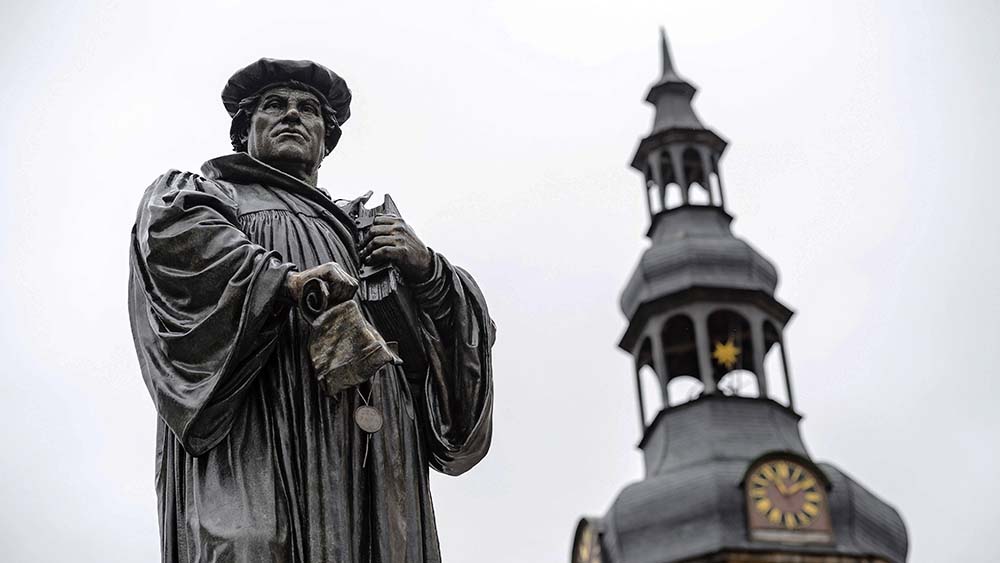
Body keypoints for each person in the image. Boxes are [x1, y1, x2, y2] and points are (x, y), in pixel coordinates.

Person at [128, 58, 495, 563]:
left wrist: (427, 269)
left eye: (309, 110)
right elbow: (172, 242)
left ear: (326, 139)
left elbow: (459, 346)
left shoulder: (364, 226)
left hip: (365, 445)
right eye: (273, 106)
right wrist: (285, 281)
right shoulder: (208, 194)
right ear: (244, 131)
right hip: (257, 423)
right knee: (247, 545)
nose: (292, 116)